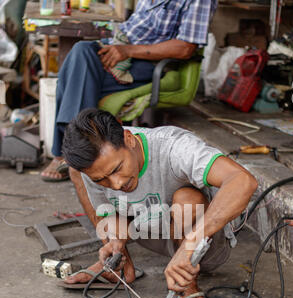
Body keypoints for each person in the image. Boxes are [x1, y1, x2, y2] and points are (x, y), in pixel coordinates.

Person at [61, 108, 258, 298]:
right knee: (76, 171)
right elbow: (108, 210)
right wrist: (115, 242)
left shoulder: (175, 147)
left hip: (202, 246)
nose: (116, 184)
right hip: (150, 229)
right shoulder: (95, 164)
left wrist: (190, 245)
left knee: (188, 199)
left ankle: (187, 283)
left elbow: (243, 181)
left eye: (117, 169)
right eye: (101, 180)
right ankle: (120, 267)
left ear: (129, 139)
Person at [41, 0, 218, 181]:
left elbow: (185, 48)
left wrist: (127, 51)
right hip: (120, 49)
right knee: (80, 51)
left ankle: (68, 153)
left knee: (77, 78)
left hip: (147, 61)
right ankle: (75, 150)